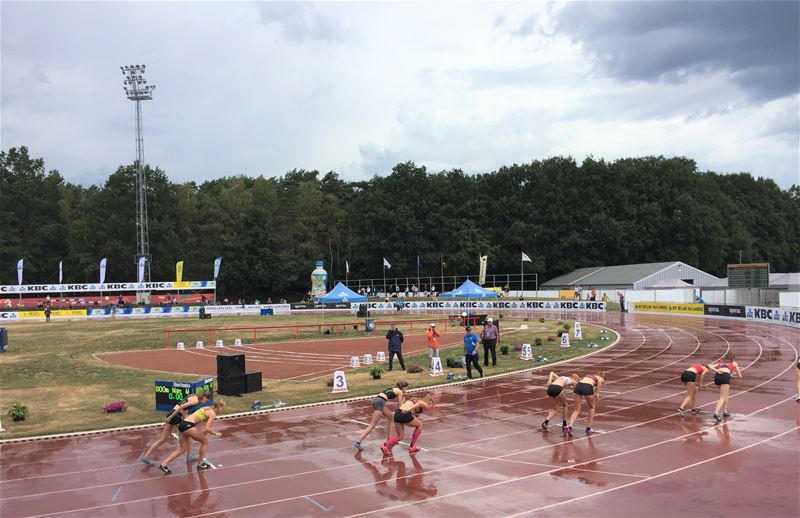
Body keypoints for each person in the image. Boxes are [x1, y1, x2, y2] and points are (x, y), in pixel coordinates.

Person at [141, 390, 212, 464]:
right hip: (175, 416)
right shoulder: (195, 401)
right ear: (203, 396)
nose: (207, 401)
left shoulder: (192, 396)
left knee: (163, 439)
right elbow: (181, 407)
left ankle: (146, 457)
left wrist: (178, 417)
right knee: (190, 433)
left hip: (172, 414)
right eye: (207, 399)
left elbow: (184, 410)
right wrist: (171, 417)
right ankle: (189, 456)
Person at [159, 399, 225, 474]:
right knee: (205, 443)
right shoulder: (213, 413)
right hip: (188, 426)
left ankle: (164, 464)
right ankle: (200, 464)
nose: (223, 410)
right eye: (223, 408)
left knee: (182, 449)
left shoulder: (207, 408)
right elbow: (208, 428)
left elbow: (203, 425)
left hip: (182, 424)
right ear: (219, 406)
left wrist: (205, 432)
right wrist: (216, 433)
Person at [354, 381, 409, 450]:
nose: (407, 390)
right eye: (406, 388)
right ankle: (358, 442)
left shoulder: (394, 389)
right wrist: (403, 399)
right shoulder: (400, 392)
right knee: (372, 425)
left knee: (391, 417)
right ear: (404, 388)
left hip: (378, 400)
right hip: (380, 402)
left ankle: (389, 438)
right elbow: (400, 405)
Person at [710, 355, 742, 422]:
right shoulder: (734, 363)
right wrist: (732, 375)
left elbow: (709, 366)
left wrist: (717, 370)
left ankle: (725, 411)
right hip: (725, 377)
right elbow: (740, 376)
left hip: (717, 377)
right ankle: (716, 413)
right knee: (722, 397)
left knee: (725, 395)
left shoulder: (721, 363)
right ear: (732, 359)